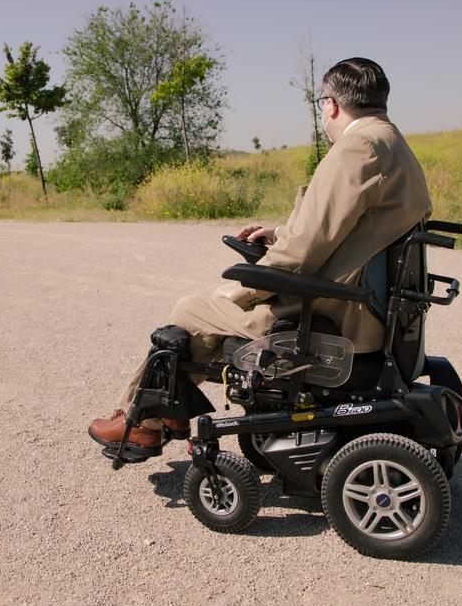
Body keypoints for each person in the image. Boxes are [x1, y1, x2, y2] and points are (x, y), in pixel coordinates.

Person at [88, 57, 432, 455]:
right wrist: (280, 234)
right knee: (216, 304)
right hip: (372, 314)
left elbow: (300, 255)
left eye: (323, 104)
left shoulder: (358, 147)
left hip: (335, 319)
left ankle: (143, 422)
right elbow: (351, 230)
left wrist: (246, 291)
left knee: (191, 310)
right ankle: (165, 413)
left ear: (331, 105)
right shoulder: (395, 143)